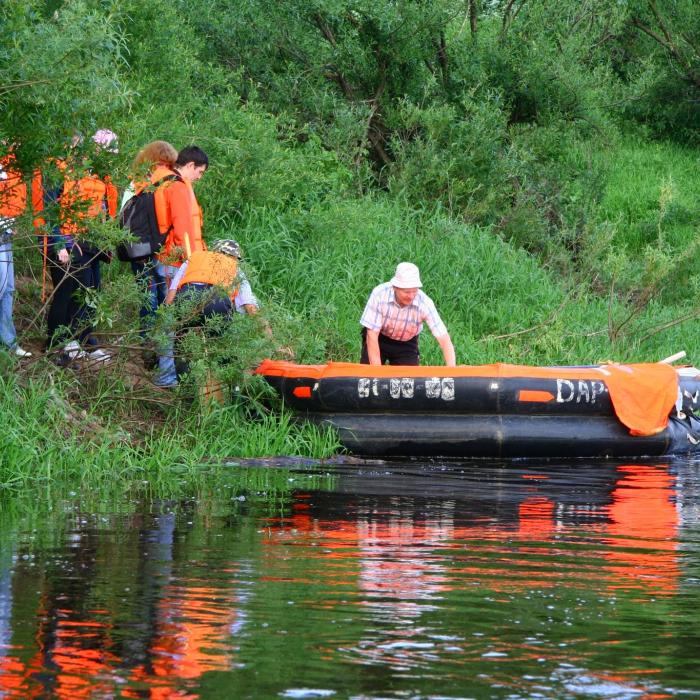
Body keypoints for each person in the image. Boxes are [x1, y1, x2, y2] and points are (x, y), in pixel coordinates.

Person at [41, 130, 119, 362]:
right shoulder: (58, 171)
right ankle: (56, 343)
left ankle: (78, 340)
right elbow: (50, 212)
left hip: (86, 242)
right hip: (66, 241)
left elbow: (99, 210)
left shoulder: (93, 174)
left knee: (87, 292)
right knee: (66, 294)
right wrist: (60, 245)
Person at [152, 145, 209, 386]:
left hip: (170, 260)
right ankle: (166, 376)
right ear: (189, 166)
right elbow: (184, 230)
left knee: (173, 320)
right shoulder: (178, 188)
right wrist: (194, 264)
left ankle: (171, 372)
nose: (199, 177)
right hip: (174, 263)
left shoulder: (167, 183)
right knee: (171, 321)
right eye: (200, 172)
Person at [120, 140, 179, 340]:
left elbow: (123, 215)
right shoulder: (169, 182)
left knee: (151, 294)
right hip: (157, 248)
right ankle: (156, 342)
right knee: (160, 295)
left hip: (143, 247)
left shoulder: (137, 182)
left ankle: (150, 342)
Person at [359, 262, 456, 366]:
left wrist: (452, 372)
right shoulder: (379, 294)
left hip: (406, 344)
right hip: (379, 338)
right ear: (395, 287)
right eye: (406, 292)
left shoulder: (424, 303)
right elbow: (372, 335)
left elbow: (444, 339)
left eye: (414, 291)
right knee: (367, 377)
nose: (411, 296)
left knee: (408, 380)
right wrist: (376, 374)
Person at [0, 148, 33, 357]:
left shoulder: (12, 160)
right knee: (2, 285)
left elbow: (14, 195)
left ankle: (9, 342)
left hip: (6, 230)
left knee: (8, 287)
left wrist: (13, 220)